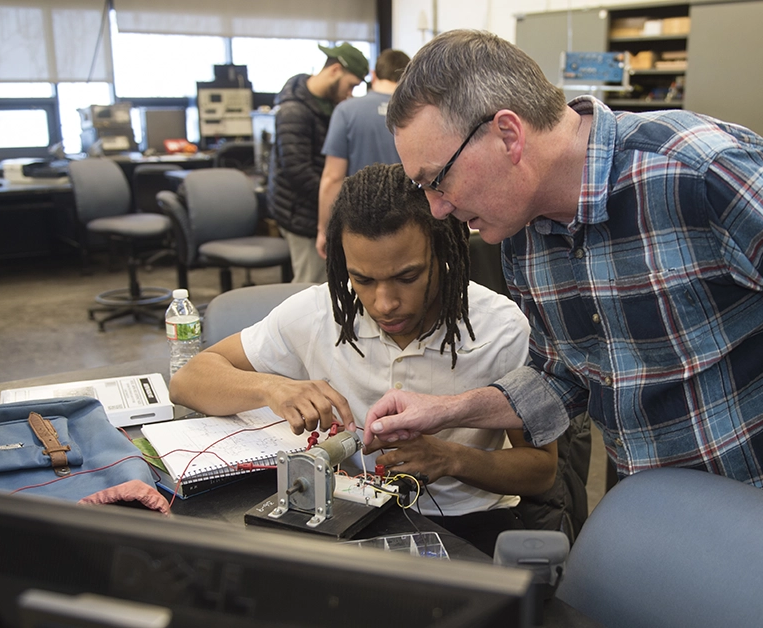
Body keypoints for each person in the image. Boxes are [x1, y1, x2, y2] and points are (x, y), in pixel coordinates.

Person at [364, 30, 763, 530]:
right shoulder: (522, 226)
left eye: (436, 179)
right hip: (649, 503)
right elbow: (564, 375)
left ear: (509, 135)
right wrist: (443, 411)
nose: (436, 208)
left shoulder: (700, 173)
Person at [170, 163, 557, 554]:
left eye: (407, 278)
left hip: (466, 522)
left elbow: (541, 471)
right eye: (364, 280)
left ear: (442, 252)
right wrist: (273, 387)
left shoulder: (503, 329)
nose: (384, 304)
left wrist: (454, 459)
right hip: (345, 511)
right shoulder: (319, 313)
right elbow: (188, 380)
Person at [269, 42, 368, 284]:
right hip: (300, 213)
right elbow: (298, 171)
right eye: (351, 85)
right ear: (335, 70)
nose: (350, 93)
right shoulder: (293, 110)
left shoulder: (328, 105)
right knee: (309, 287)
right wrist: (339, 196)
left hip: (319, 208)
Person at [316, 49, 412, 260]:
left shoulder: (346, 111)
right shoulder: (417, 111)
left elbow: (333, 178)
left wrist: (324, 230)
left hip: (359, 224)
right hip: (411, 223)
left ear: (374, 75)